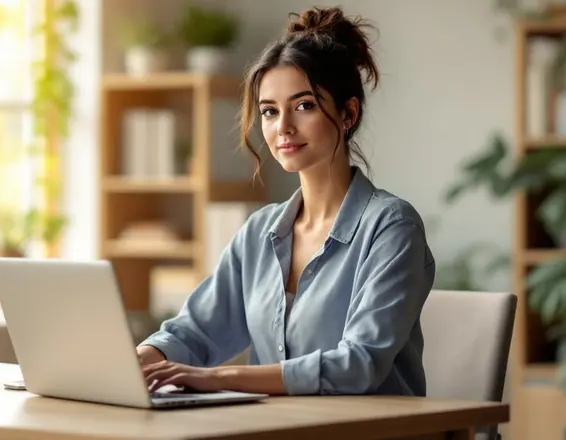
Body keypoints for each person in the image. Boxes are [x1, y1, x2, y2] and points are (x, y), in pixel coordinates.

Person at [137, 6, 436, 397]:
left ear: (348, 113)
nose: (283, 128)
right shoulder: (261, 232)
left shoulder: (392, 227)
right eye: (269, 111)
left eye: (304, 105)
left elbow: (358, 365)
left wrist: (216, 378)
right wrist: (134, 362)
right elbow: (195, 331)